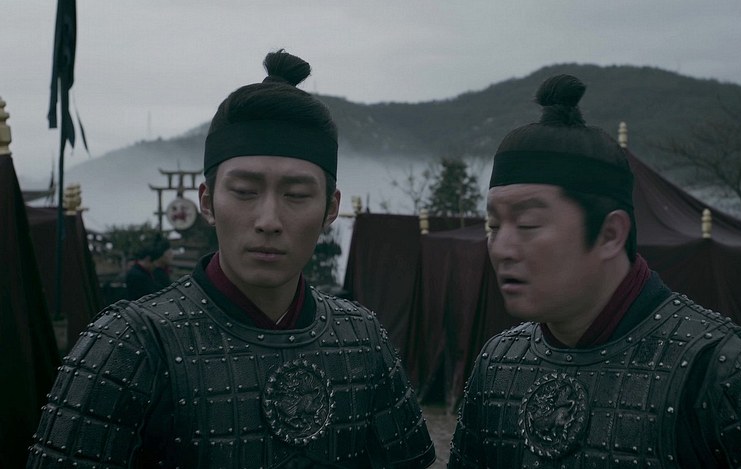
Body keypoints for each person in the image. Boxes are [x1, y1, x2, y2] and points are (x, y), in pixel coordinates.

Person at [28, 49, 435, 468]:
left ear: (330, 209)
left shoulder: (363, 340)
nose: (268, 220)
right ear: (207, 202)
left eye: (296, 195)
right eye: (244, 192)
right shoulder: (129, 343)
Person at [448, 74, 741, 467]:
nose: (502, 248)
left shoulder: (722, 369)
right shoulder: (498, 363)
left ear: (610, 234)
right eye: (493, 225)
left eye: (528, 224)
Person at [125, 233, 173, 300]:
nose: (155, 266)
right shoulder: (137, 276)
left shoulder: (142, 273)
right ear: (148, 259)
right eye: (154, 263)